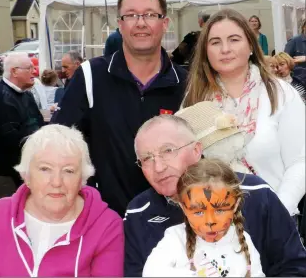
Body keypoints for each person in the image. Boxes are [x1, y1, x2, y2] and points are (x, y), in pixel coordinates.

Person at [51, 0, 187, 217]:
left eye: (150, 15)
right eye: (131, 15)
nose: (141, 23)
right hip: (107, 219)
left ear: (165, 23)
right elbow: (60, 143)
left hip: (176, 220)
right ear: (120, 25)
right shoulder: (90, 76)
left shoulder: (185, 84)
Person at [124, 114, 306, 277]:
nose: (159, 167)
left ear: (196, 150)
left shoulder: (255, 193)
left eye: (168, 151)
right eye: (147, 159)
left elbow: (293, 266)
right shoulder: (138, 212)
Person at [182, 8, 305, 216]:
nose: (225, 49)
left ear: (250, 45)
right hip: (211, 225)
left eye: (234, 39)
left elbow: (300, 161)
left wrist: (278, 212)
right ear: (205, 51)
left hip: (272, 219)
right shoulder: (194, 100)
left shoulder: (280, 94)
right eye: (215, 42)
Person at [0, 124, 124, 277]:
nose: (56, 182)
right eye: (45, 169)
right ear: (26, 176)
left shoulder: (106, 225)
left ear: (82, 179)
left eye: (68, 171)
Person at [143, 159, 265, 277]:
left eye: (220, 210)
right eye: (198, 213)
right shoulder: (176, 238)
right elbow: (150, 272)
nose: (210, 222)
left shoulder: (242, 239)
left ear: (235, 205)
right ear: (183, 207)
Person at [0, 52, 44, 188]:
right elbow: (11, 140)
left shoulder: (25, 93)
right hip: (12, 164)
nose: (35, 71)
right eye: (29, 68)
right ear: (14, 71)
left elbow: (39, 121)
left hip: (31, 152)